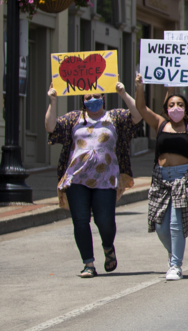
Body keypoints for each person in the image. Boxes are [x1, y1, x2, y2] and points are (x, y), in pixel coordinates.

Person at [45, 80, 142, 277]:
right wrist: (52, 102)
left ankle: (108, 247)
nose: (93, 100)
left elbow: (137, 117)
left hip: (105, 179)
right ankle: (88, 264)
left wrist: (124, 93)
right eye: (88, 97)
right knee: (80, 220)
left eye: (97, 96)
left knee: (104, 220)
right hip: (77, 179)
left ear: (103, 97)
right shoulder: (74, 118)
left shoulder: (114, 117)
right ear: (82, 99)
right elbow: (51, 127)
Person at [134, 77, 188, 280]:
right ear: (166, 108)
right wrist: (140, 86)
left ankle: (176, 265)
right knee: (161, 226)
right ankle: (173, 255)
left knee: (175, 225)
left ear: (186, 109)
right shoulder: (160, 124)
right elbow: (141, 107)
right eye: (171, 105)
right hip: (161, 179)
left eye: (180, 105)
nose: (175, 108)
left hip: (182, 179)